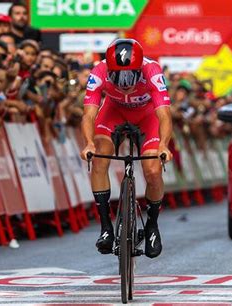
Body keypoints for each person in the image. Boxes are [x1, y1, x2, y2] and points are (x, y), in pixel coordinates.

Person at [80, 39, 173, 258]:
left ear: (139, 69)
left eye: (130, 76)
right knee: (100, 156)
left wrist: (163, 145)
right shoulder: (98, 71)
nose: (124, 83)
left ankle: (152, 226)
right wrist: (88, 143)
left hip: (147, 117)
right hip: (114, 113)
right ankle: (105, 228)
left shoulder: (152, 70)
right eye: (117, 76)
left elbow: (164, 115)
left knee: (152, 170)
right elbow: (89, 114)